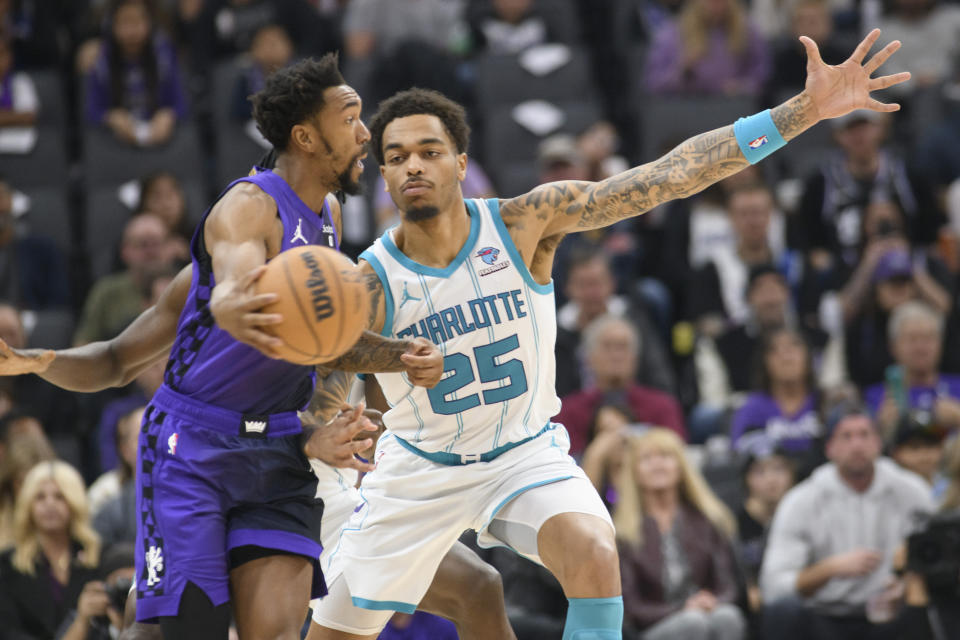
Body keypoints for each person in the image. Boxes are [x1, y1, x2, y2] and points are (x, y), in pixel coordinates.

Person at [308, 27, 910, 639]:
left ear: (462, 163)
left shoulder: (523, 224)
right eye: (397, 155)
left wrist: (803, 111)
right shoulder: (368, 283)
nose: (413, 164)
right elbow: (329, 375)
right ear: (382, 174)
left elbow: (672, 174)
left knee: (595, 550)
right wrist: (322, 431)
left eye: (429, 150)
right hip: (419, 471)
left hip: (522, 453)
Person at [0, 55, 521, 640]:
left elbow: (326, 341)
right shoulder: (248, 206)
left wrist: (401, 354)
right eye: (350, 118)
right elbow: (170, 324)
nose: (364, 134)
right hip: (190, 449)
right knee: (183, 630)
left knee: (272, 632)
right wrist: (38, 362)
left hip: (278, 446)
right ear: (305, 136)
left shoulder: (327, 210)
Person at [759, 404, 934, 640]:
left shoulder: (912, 492)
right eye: (846, 436)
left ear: (878, 443)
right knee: (783, 610)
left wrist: (907, 584)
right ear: (830, 448)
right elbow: (773, 587)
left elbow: (941, 559)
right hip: (825, 617)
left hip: (892, 615)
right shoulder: (801, 500)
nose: (857, 445)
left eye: (864, 434)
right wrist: (828, 570)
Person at [614, 429, 745, 640]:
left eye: (665, 457)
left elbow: (728, 586)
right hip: (654, 625)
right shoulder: (622, 532)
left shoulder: (708, 519)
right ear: (634, 472)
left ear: (681, 467)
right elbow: (630, 605)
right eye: (646, 459)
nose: (657, 465)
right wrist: (682, 609)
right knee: (692, 623)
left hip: (704, 612)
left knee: (728, 617)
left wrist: (711, 601)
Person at [0, 460, 115, 640]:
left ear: (74, 502)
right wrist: (80, 622)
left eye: (60, 496)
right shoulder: (6, 565)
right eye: (40, 497)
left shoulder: (101, 557)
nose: (50, 504)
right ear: (28, 505)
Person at [555, 313, 686, 456]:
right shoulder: (568, 412)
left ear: (635, 357)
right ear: (588, 358)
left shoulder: (662, 407)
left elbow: (676, 459)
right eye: (607, 347)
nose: (616, 355)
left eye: (623, 347)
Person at [84, 0, 188, 148]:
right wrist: (111, 117)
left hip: (161, 141)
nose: (132, 31)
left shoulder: (164, 52)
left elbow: (182, 104)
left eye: (138, 21)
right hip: (117, 145)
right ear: (112, 25)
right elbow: (91, 111)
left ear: (150, 22)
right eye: (125, 22)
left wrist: (168, 115)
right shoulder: (101, 59)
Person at [74, 213, 174, 345]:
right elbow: (83, 344)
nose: (151, 252)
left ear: (169, 248)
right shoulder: (107, 291)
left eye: (156, 244)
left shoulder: (187, 285)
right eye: (143, 245)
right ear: (125, 251)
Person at [730, 327, 824, 467]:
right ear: (764, 362)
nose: (786, 356)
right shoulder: (752, 408)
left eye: (794, 346)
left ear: (809, 356)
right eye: (775, 350)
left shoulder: (827, 403)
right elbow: (742, 462)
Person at [865, 301, 960, 437]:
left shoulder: (958, 386)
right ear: (893, 346)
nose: (920, 347)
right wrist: (880, 428)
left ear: (940, 344)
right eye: (912, 339)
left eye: (928, 338)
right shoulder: (875, 397)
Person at [734, 449, 795, 613]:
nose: (771, 479)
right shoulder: (730, 521)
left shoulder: (802, 517)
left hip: (791, 594)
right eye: (759, 472)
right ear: (746, 478)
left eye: (779, 469)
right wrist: (748, 588)